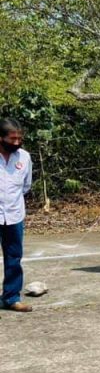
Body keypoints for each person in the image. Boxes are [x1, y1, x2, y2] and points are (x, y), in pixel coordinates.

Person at [0, 119, 32, 312]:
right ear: (1, 138)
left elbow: (26, 186)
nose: (17, 142)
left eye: (20, 138)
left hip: (14, 214)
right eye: (12, 139)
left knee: (14, 257)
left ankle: (11, 297)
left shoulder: (24, 157)